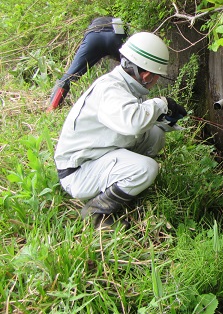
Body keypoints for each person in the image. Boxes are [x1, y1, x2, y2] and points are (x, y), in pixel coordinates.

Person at [54, 32, 187, 229]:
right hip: (78, 172)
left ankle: (125, 179)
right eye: (157, 77)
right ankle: (96, 212)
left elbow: (136, 118)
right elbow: (133, 122)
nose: (156, 82)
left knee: (156, 135)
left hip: (98, 152)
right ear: (147, 75)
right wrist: (161, 104)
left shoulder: (125, 84)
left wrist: (166, 120)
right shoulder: (110, 90)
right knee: (147, 168)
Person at [47, 16, 128, 112]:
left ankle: (51, 109)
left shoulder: (96, 21)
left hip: (93, 37)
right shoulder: (121, 17)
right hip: (116, 36)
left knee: (70, 76)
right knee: (130, 70)